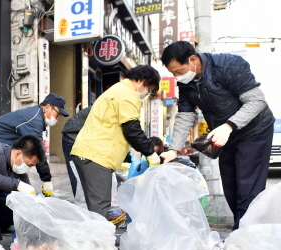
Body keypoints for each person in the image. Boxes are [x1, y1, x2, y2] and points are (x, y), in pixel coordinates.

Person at [160, 41, 274, 229]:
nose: (177, 77)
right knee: (230, 187)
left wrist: (229, 125)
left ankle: (242, 237)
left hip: (254, 131)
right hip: (225, 136)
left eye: (179, 71)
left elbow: (256, 100)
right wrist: (173, 149)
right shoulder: (187, 83)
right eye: (173, 73)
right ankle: (244, 230)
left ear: (193, 59)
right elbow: (185, 115)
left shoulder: (229, 65)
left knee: (248, 187)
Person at [0, 93, 69, 246]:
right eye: (57, 113)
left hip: (1, 147)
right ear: (46, 107)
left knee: (9, 187)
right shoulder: (34, 118)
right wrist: (46, 180)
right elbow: (37, 153)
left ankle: (0, 223)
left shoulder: (36, 118)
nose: (57, 118)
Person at [70, 65, 161, 218]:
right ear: (141, 81)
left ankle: (96, 241)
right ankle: (102, 242)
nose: (147, 94)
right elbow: (132, 129)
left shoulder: (117, 90)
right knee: (100, 210)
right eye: (149, 88)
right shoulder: (127, 94)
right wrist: (150, 153)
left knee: (95, 209)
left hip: (88, 153)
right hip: (97, 155)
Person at [61, 105, 91, 196]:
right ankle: (80, 201)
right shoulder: (102, 108)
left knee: (82, 172)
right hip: (72, 138)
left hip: (77, 137)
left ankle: (85, 201)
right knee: (75, 172)